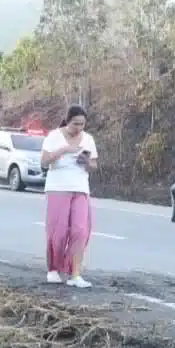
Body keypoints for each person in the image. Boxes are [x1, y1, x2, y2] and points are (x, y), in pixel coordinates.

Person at [40, 105, 98, 288]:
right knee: (58, 231)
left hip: (80, 187)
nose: (78, 128)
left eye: (82, 124)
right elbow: (44, 161)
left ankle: (75, 274)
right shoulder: (54, 136)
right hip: (58, 187)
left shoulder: (88, 139)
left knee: (80, 231)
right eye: (75, 124)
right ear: (67, 121)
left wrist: (86, 161)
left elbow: (94, 166)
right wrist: (64, 150)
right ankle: (54, 269)